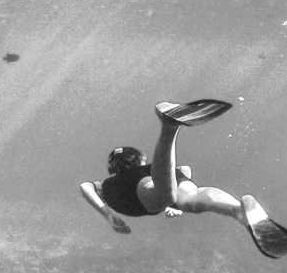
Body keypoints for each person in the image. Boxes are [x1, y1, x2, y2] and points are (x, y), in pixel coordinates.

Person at [79, 100, 266, 235]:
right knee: (192, 198)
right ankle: (237, 209)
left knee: (167, 196)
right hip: (155, 180)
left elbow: (85, 186)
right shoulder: (145, 171)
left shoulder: (111, 183)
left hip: (139, 192)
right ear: (140, 160)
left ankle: (170, 127)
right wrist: (177, 206)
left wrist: (108, 215)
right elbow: (184, 171)